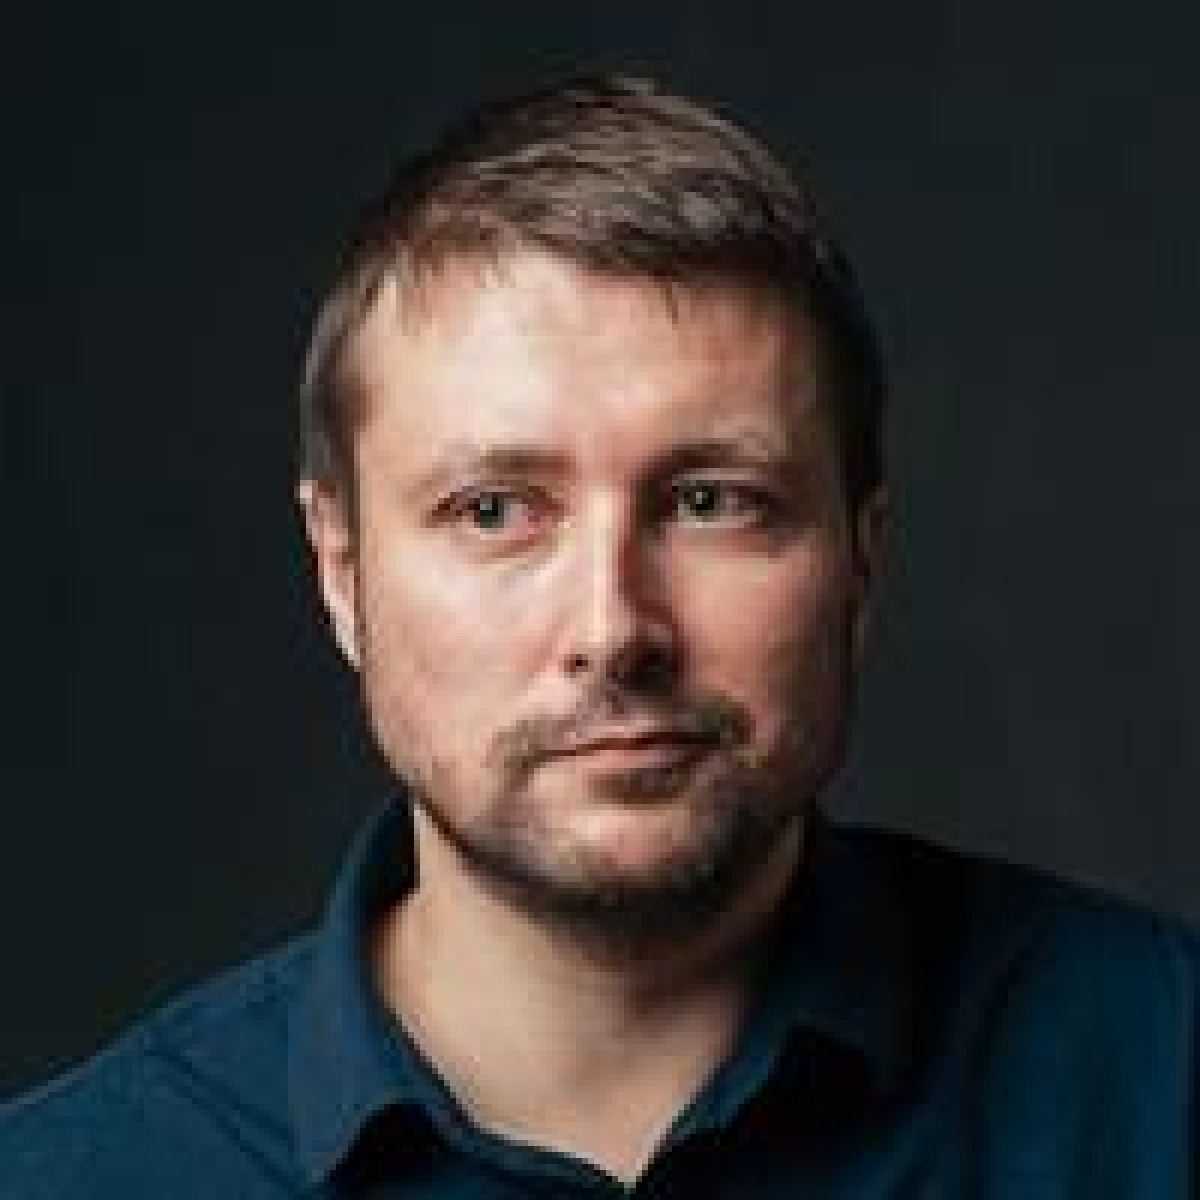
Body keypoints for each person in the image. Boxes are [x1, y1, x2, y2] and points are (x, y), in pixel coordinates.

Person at [1, 72, 1196, 1198]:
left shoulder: (1163, 1079)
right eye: (494, 511)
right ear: (342, 572)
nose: (613, 630)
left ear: (861, 558)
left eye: (712, 501)